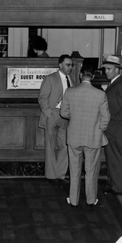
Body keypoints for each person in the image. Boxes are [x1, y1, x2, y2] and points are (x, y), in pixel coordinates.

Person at [60, 68, 110, 207]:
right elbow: (106, 118)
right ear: (92, 76)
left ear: (80, 75)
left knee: (74, 170)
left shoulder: (70, 92)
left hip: (74, 136)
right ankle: (91, 200)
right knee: (91, 170)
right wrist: (98, 129)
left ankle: (74, 200)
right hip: (92, 137)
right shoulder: (100, 94)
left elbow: (64, 113)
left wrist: (75, 118)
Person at [37, 55, 75, 185]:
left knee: (65, 145)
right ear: (60, 65)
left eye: (71, 65)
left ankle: (60, 174)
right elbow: (42, 98)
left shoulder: (72, 79)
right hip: (53, 114)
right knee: (51, 145)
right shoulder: (50, 78)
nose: (70, 67)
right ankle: (51, 175)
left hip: (66, 116)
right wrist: (48, 113)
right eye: (67, 65)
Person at [102, 55, 122, 196]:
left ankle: (118, 188)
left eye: (108, 69)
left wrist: (110, 119)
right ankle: (113, 184)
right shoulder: (115, 83)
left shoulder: (120, 85)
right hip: (113, 129)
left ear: (116, 69)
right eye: (105, 69)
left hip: (115, 129)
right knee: (112, 158)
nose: (106, 72)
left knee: (116, 159)